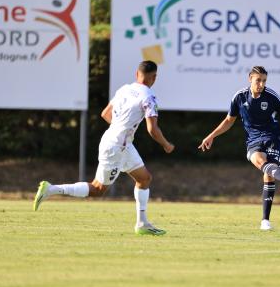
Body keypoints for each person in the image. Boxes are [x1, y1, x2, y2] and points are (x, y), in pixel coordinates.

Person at [33, 60, 175, 236]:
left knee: (144, 179)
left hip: (120, 142)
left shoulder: (124, 89)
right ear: (154, 77)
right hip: (116, 146)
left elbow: (105, 114)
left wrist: (121, 130)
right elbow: (152, 129)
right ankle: (51, 189)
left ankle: (142, 223)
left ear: (136, 74)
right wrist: (166, 144)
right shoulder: (149, 97)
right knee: (97, 190)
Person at [198, 66, 280, 230]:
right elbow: (228, 120)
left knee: (268, 175)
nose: (261, 84)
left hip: (272, 138)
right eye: (258, 80)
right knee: (261, 163)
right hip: (253, 141)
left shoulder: (272, 97)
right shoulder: (239, 97)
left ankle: (265, 221)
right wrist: (212, 135)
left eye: (264, 81)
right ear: (250, 79)